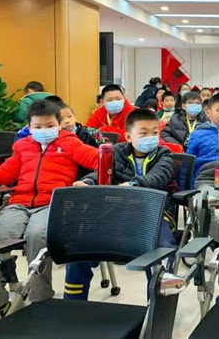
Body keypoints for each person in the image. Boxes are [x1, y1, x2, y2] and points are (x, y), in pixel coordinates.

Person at [0, 100, 98, 310]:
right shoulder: (22, 146)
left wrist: (88, 181)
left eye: (49, 125)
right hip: (19, 203)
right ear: (29, 127)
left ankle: (40, 300)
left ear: (59, 125)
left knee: (37, 236)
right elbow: (6, 173)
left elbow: (101, 161)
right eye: (38, 126)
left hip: (51, 203)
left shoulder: (71, 143)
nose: (44, 130)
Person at [66, 109, 178, 300]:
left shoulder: (164, 154)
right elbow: (101, 173)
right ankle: (73, 304)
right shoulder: (116, 152)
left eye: (154, 132)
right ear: (128, 136)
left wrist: (133, 185)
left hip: (154, 213)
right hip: (116, 212)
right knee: (79, 248)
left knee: (164, 251)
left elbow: (158, 177)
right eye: (143, 133)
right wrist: (88, 182)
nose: (150, 137)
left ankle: (158, 306)